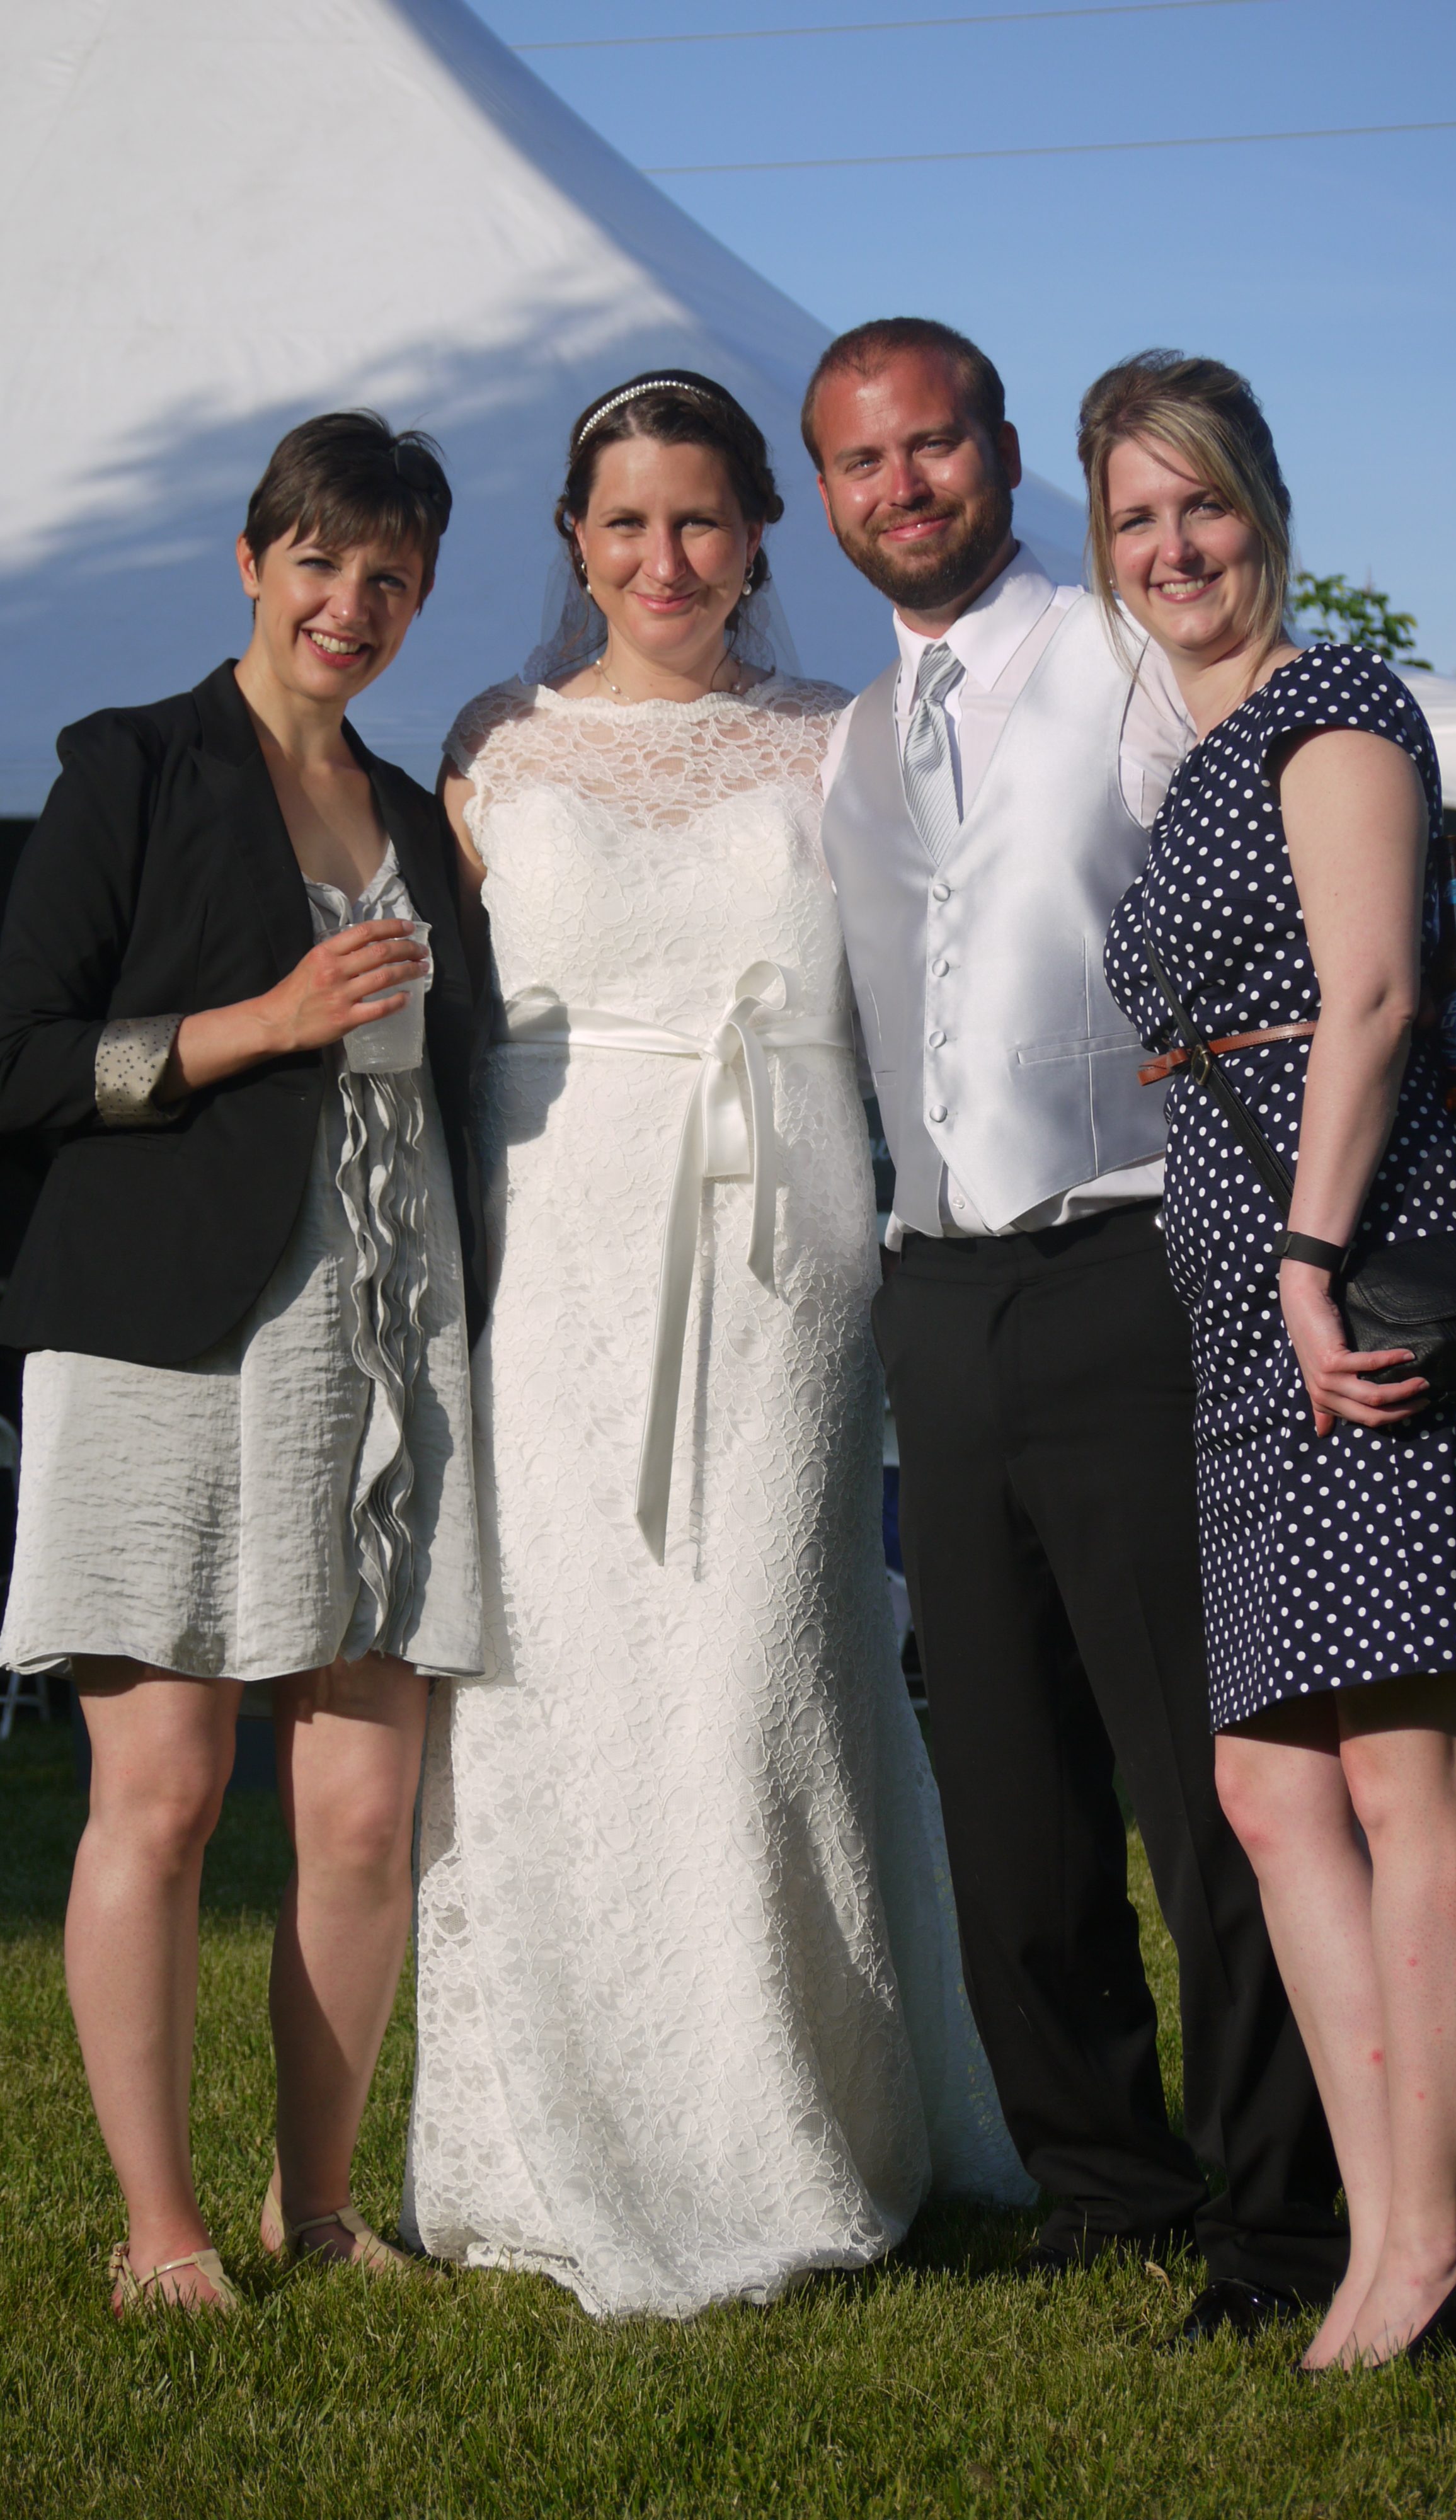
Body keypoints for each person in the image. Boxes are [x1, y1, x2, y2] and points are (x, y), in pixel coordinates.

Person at [805, 317, 1456, 2342]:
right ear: (830, 496)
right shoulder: (841, 742)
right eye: (862, 461)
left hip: (1172, 1256)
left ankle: (1305, 2210)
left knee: (1245, 1768)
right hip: (955, 1275)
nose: (903, 487)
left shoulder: (1136, 663)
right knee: (1036, 1779)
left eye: (936, 446)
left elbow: (1373, 920)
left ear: (1000, 456)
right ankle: (1106, 2180)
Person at [401, 371, 1030, 2318]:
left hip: (783, 1256)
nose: (664, 558)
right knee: (566, 1673)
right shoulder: (492, 745)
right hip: (557, 1260)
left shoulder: (844, 740)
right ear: (575, 544)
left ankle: (810, 2114)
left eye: (699, 519)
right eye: (626, 523)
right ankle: (549, 2131)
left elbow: (980, 973)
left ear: (759, 534)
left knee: (769, 1661)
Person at [0, 413, 486, 2314]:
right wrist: (258, 1023)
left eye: (392, 576)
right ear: (255, 559)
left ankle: (319, 2209)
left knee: (357, 1813)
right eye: (322, 560)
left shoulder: (424, 813)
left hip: (382, 1339)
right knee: (168, 1796)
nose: (352, 602)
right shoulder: (130, 763)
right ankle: (161, 2231)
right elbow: (19, 1067)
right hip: (166, 1339)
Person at [1094, 350, 1456, 2367]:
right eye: (1136, 517)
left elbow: (1366, 997)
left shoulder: (1330, 700)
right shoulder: (1192, 762)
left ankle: (1434, 2244)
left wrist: (1308, 1255)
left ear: (1265, 505)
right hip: (1243, 1279)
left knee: (1396, 1764)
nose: (1174, 546)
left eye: (1202, 501)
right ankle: (1391, 2239)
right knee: (1268, 1785)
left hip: (1337, 1258)